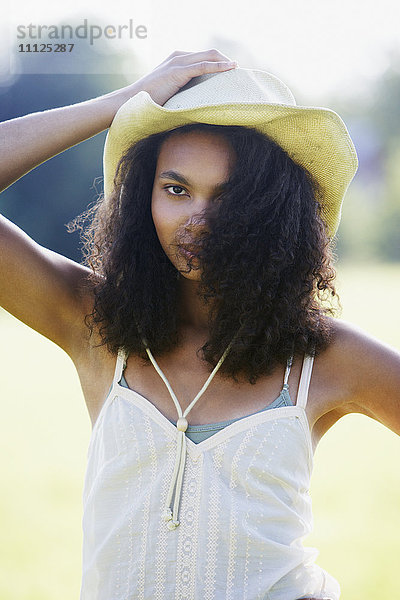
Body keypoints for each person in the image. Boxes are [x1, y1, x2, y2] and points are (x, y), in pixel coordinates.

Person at [0, 48, 399, 600]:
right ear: (145, 196)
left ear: (271, 210)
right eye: (176, 189)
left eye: (229, 198)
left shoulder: (324, 357)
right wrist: (122, 105)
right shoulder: (91, 322)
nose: (198, 221)